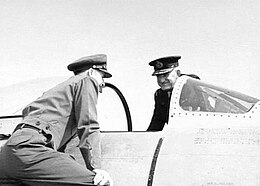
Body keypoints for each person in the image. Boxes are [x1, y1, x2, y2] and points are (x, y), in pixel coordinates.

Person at [0, 54, 113, 186]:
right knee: (100, 183)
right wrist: (96, 168)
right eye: (102, 76)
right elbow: (88, 125)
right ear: (92, 71)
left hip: (7, 156)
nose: (102, 84)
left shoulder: (58, 92)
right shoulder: (87, 81)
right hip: (29, 150)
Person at [147, 56, 200, 131]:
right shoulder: (160, 95)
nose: (162, 80)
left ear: (178, 73)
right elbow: (157, 123)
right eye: (159, 76)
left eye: (166, 75)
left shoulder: (192, 87)